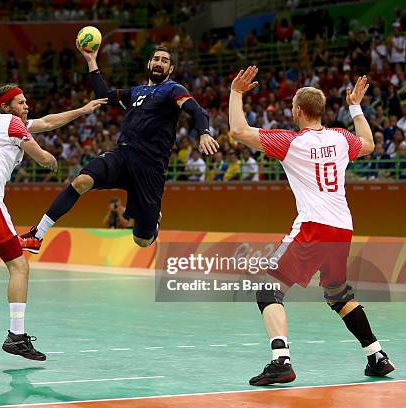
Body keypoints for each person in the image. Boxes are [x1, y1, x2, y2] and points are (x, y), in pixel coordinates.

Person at [229, 66, 395, 386]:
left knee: (268, 291)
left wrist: (236, 93)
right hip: (342, 228)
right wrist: (355, 107)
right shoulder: (341, 138)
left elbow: (238, 131)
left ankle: (281, 361)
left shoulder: (291, 142)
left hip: (313, 227)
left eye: (293, 107)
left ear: (299, 111)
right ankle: (376, 356)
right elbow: (370, 143)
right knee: (337, 294)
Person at [20, 44, 218, 252]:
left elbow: (197, 111)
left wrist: (204, 132)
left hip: (150, 167)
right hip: (123, 154)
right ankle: (37, 235)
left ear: (170, 69)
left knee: (142, 240)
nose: (159, 63)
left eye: (165, 61)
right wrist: (91, 61)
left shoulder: (173, 90)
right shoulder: (136, 92)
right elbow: (102, 94)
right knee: (81, 181)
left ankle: (153, 222)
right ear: (149, 64)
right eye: (156, 59)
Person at [0, 84, 106, 360]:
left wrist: (82, 110)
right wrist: (50, 160)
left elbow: (47, 122)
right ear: (7, 106)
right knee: (19, 265)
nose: (27, 105)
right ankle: (16, 336)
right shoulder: (11, 123)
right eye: (21, 102)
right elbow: (41, 156)